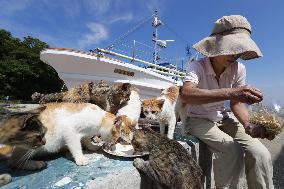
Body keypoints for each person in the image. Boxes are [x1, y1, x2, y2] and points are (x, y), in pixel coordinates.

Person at [180, 15, 274, 189]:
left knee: (261, 154)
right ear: (217, 44)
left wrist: (248, 124)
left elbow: (236, 103)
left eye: (238, 49)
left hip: (223, 118)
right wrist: (232, 92)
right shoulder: (197, 66)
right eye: (231, 48)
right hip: (198, 119)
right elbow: (186, 94)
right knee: (232, 151)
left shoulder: (239, 69)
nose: (235, 54)